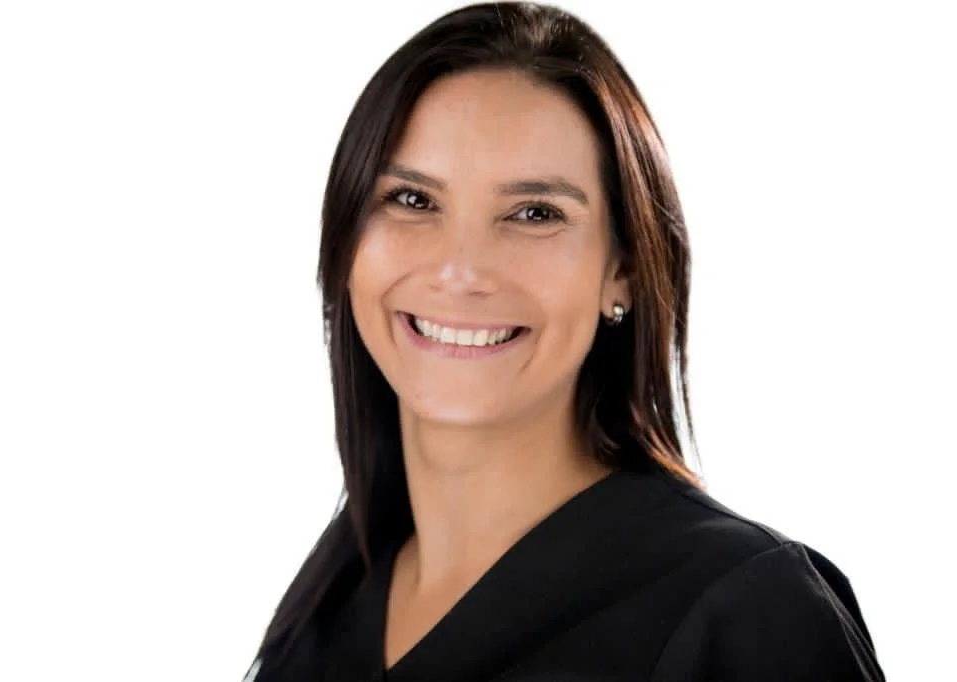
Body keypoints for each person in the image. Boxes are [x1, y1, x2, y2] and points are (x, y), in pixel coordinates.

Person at [245, 2, 886, 680]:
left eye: (534, 213)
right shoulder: (330, 603)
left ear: (624, 270)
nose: (460, 270)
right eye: (412, 200)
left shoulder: (745, 609)